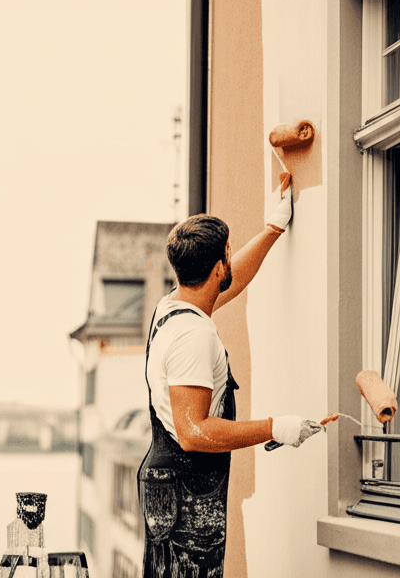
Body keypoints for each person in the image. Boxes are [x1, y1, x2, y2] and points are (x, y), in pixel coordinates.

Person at [138, 179, 323, 578]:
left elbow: (230, 283)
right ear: (218, 266)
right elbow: (194, 432)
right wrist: (276, 427)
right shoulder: (193, 335)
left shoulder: (173, 306)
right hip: (187, 495)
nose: (229, 262)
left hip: (169, 483)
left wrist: (273, 228)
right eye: (227, 254)